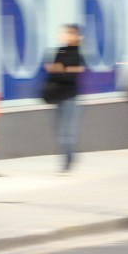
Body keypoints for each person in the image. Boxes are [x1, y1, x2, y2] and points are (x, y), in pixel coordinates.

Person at [44, 24, 85, 173]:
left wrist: (61, 70)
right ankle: (68, 157)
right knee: (60, 130)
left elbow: (71, 76)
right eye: (65, 33)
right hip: (58, 96)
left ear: (75, 36)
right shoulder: (60, 51)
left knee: (67, 130)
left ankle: (68, 159)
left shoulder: (78, 54)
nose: (65, 36)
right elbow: (54, 72)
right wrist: (63, 70)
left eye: (69, 33)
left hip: (70, 97)